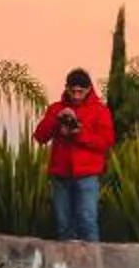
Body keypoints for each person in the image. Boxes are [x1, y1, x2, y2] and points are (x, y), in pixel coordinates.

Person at [37, 67, 115, 243]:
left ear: (88, 90)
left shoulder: (100, 111)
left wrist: (79, 133)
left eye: (81, 92)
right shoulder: (56, 108)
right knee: (64, 224)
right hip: (61, 175)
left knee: (87, 221)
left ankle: (94, 265)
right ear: (67, 88)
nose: (76, 96)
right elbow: (40, 136)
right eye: (73, 91)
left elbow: (106, 142)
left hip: (87, 176)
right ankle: (67, 267)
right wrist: (56, 120)